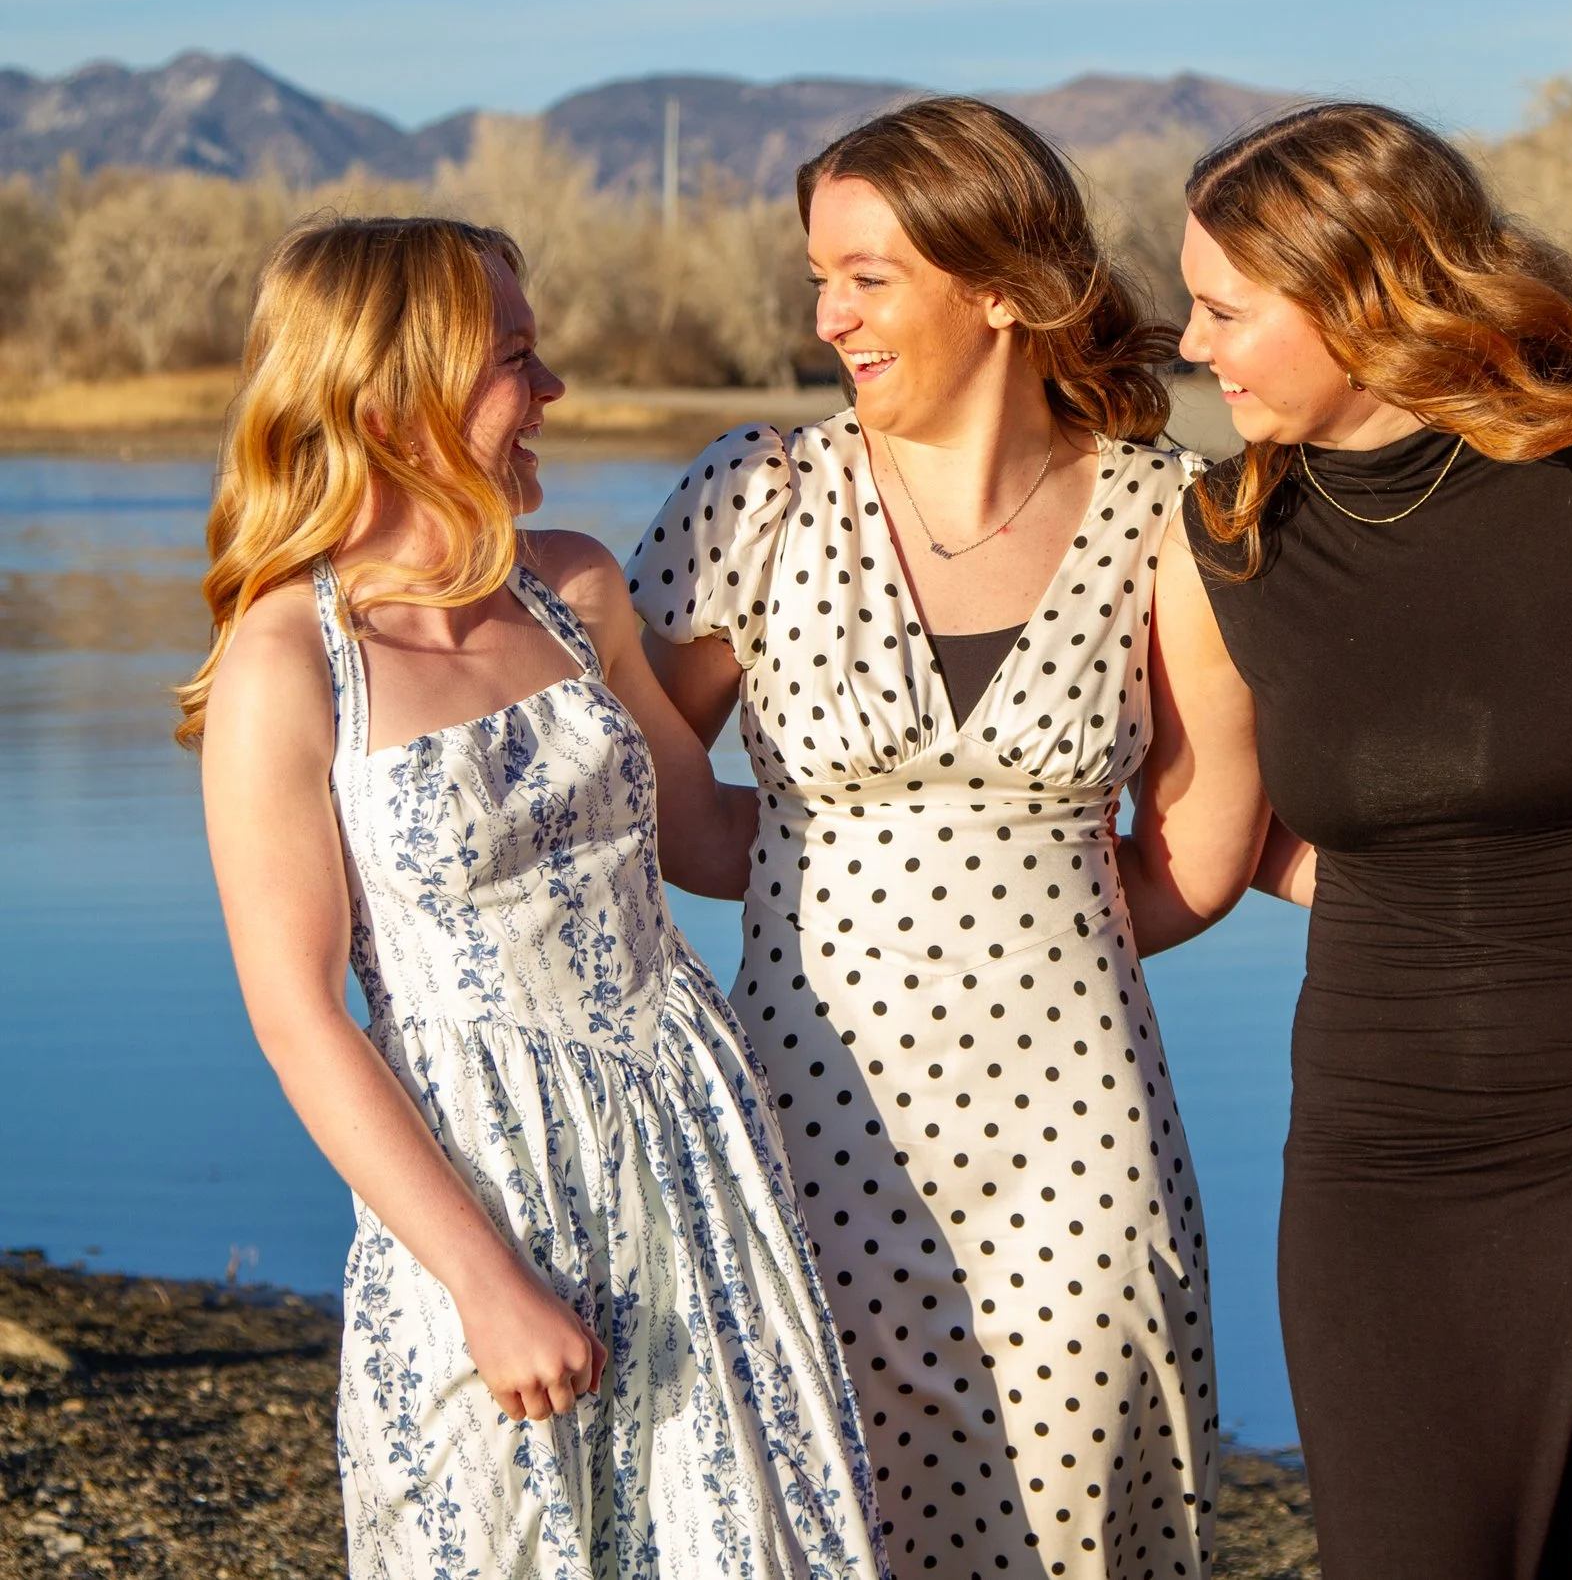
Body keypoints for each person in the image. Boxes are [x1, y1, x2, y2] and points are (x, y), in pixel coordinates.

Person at [1121, 101, 1572, 1579]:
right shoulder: (1222, 537)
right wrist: (920, 892)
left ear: (1363, 297)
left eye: (1228, 308)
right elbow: (1198, 855)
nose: (1192, 344)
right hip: (1378, 1147)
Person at [184, 217, 885, 1576]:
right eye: (516, 357)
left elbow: (708, 835)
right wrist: (484, 1284)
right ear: (395, 397)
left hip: (691, 1141)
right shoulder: (288, 660)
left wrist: (947, 834)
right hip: (475, 1183)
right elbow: (297, 1014)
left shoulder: (571, 587)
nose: (552, 389)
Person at [627, 98, 1243, 1580]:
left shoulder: (1174, 518)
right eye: (820, 277)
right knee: (820, 1521)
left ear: (1001, 288)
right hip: (803, 1120)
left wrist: (1019, 932)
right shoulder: (757, 495)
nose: (830, 314)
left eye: (867, 275)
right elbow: (656, 805)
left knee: (1076, 1522)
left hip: (1075, 1150)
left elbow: (1200, 851)